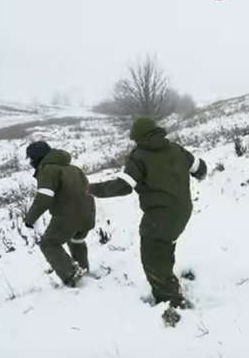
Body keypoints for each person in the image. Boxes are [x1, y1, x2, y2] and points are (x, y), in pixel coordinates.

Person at [89, 117, 207, 308]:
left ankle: (171, 302)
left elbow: (123, 187)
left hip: (160, 216)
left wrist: (91, 189)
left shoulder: (139, 156)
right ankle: (169, 283)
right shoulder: (176, 149)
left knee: (152, 258)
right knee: (164, 246)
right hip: (183, 210)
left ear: (138, 137)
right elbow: (201, 170)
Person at [24, 141, 96, 287]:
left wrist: (30, 219)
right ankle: (83, 270)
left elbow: (43, 199)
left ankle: (72, 275)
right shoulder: (74, 169)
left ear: (37, 157)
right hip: (88, 213)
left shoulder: (48, 170)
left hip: (69, 216)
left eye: (31, 158)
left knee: (48, 243)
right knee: (76, 240)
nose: (30, 162)